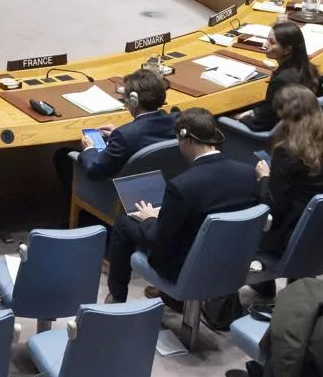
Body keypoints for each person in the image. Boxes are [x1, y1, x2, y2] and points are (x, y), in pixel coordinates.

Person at [104, 109, 258, 303]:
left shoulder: (181, 186)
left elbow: (159, 241)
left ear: (185, 139)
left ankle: (117, 299)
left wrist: (150, 218)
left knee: (123, 222)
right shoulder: (248, 173)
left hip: (185, 268)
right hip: (232, 261)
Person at [253, 84, 323, 261]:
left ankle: (263, 282)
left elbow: (275, 207)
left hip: (289, 234)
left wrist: (264, 178)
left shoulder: (287, 151)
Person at [71, 68, 176, 188]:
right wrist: (119, 134)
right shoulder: (176, 121)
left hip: (124, 193)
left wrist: (89, 149)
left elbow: (94, 171)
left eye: (125, 99)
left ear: (133, 100)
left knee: (62, 155)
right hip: (165, 183)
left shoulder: (124, 136)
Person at [238, 20, 316, 132]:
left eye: (272, 42)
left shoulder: (282, 81)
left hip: (278, 134)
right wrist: (254, 111)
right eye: (267, 39)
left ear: (287, 50)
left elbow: (264, 123)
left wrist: (240, 118)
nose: (264, 45)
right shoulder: (307, 67)